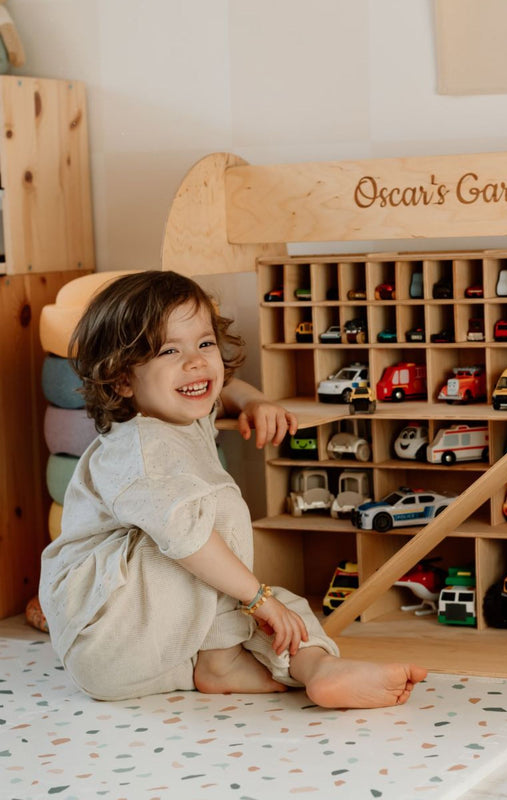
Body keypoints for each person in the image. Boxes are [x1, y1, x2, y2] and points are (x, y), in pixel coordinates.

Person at [39, 270, 427, 706]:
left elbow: (221, 389)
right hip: (106, 634)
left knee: (277, 605)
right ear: (123, 380)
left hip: (155, 648)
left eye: (204, 344)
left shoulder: (174, 412)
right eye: (170, 350)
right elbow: (189, 540)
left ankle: (317, 667)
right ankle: (220, 660)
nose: (196, 362)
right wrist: (257, 598)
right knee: (223, 539)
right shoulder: (139, 449)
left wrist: (253, 401)